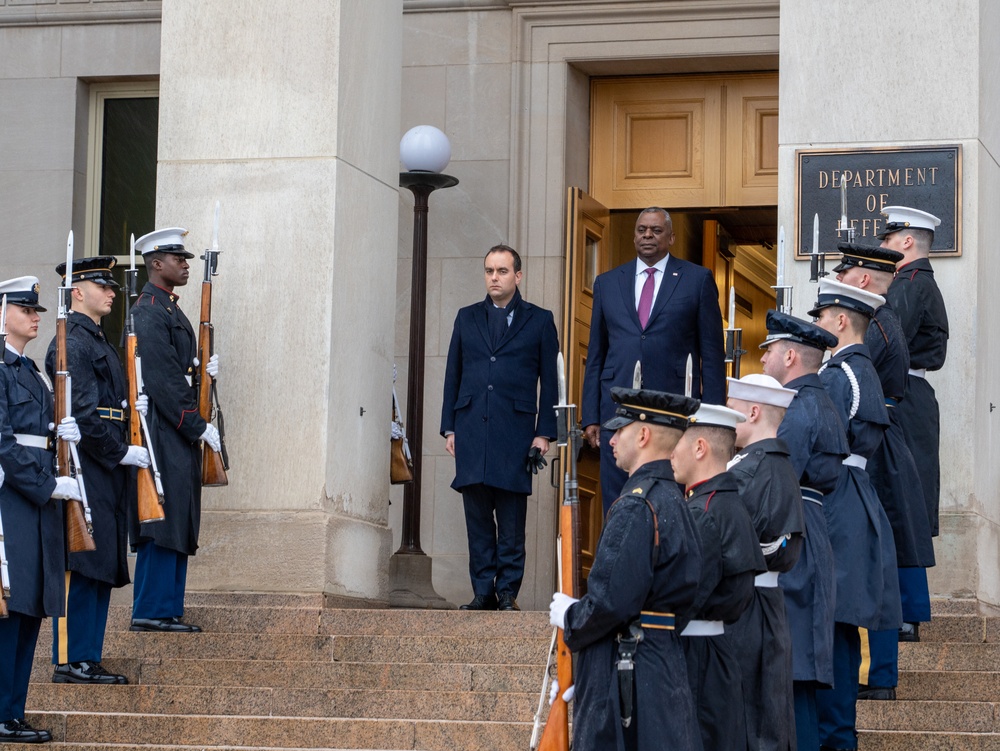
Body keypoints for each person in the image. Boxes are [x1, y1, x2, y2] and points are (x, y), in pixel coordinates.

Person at [548, 387, 703, 751]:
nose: (611, 439)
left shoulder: (637, 505)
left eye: (620, 430)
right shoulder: (676, 500)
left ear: (644, 435)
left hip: (629, 673)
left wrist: (572, 616)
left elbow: (611, 602)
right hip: (661, 663)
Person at [833, 243, 936, 697]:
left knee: (872, 560)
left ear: (860, 280)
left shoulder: (875, 324)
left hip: (877, 453)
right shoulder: (879, 320)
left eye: (844, 274)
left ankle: (877, 675)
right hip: (881, 446)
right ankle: (877, 675)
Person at [43, 258, 150, 684]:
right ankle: (71, 658)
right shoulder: (72, 341)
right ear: (77, 292)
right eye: (101, 286)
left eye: (110, 286)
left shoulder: (99, 340)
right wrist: (120, 451)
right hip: (89, 461)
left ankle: (88, 653)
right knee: (82, 558)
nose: (111, 292)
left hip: (105, 465)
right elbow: (83, 414)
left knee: (101, 556)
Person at [581, 207, 726, 513]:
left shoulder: (696, 280)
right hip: (617, 412)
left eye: (656, 230)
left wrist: (711, 419)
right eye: (641, 230)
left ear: (671, 237)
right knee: (616, 500)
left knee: (666, 500)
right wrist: (591, 416)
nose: (647, 235)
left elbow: (712, 355)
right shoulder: (607, 283)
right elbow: (596, 354)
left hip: (674, 415)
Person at [808, 279, 901, 751]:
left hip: (836, 499)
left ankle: (836, 737)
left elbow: (820, 441)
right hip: (855, 495)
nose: (817, 324)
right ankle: (839, 735)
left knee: (830, 628)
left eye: (821, 317)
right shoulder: (863, 371)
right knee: (839, 628)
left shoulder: (837, 375)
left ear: (841, 321)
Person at [440, 244, 558, 611]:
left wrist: (545, 431)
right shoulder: (467, 317)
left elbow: (550, 381)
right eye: (489, 271)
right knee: (477, 517)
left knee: (510, 519)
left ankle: (507, 592)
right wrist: (449, 428)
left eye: (502, 271)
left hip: (516, 433)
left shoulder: (539, 320)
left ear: (517, 276)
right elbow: (453, 374)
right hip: (472, 427)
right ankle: (482, 591)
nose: (494, 277)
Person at [0, 276, 82, 743]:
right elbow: (4, 446)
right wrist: (47, 485)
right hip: (15, 501)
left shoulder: (33, 373)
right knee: (10, 610)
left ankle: (13, 711)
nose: (35, 317)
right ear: (3, 313)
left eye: (37, 311)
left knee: (31, 608)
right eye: (27, 309)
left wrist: (64, 434)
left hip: (40, 502)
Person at [129, 228, 220, 632]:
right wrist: (196, 424)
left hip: (175, 429)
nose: (185, 264)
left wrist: (204, 376)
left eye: (185, 258)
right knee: (161, 516)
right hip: (163, 428)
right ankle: (151, 607)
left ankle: (167, 606)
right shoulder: (148, 310)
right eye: (176, 258)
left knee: (178, 513)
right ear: (155, 264)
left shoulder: (167, 308)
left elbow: (180, 371)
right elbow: (164, 378)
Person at [758, 310, 841, 751]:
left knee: (792, 679)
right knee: (798, 679)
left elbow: (779, 475)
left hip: (795, 537)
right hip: (809, 530)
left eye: (769, 350)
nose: (765, 359)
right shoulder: (817, 399)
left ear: (790, 355)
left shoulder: (799, 405)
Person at [671, 402, 766, 751]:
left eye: (677, 442)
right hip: (715, 653)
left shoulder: (705, 511)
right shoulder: (724, 503)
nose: (670, 453)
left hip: (696, 657)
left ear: (700, 447)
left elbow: (686, 595)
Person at [725, 373, 804, 751]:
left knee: (751, 718)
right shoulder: (768, 464)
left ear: (753, 412)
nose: (726, 415)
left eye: (732, 408)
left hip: (747, 609)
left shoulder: (754, 470)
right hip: (761, 607)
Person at [880, 206, 948, 642]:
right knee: (904, 502)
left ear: (906, 241)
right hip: (911, 396)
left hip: (903, 397)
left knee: (902, 501)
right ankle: (909, 609)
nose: (883, 246)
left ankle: (907, 611)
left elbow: (887, 340)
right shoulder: (916, 283)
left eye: (888, 240)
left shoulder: (909, 284)